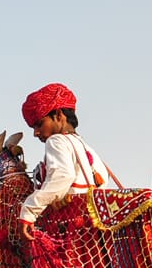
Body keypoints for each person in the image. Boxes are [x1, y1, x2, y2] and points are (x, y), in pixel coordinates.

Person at [17, 83, 113, 240]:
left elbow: (62, 176)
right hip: (95, 235)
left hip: (70, 234)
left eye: (39, 124)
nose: (36, 133)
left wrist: (29, 211)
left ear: (59, 115)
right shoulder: (86, 147)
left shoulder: (56, 141)